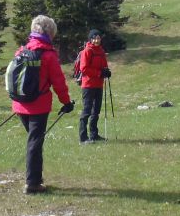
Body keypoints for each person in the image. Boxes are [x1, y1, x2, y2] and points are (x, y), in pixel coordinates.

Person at [11, 15, 75, 194]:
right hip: (38, 105)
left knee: (34, 140)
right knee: (35, 142)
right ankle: (33, 183)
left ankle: (35, 179)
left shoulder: (21, 50)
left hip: (20, 103)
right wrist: (67, 102)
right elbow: (58, 82)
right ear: (50, 32)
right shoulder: (48, 55)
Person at [76, 28, 112, 144]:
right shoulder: (87, 51)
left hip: (99, 85)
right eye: (94, 38)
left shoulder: (101, 51)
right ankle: (83, 137)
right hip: (88, 85)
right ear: (90, 39)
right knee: (87, 111)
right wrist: (99, 73)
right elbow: (84, 68)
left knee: (96, 111)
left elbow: (104, 66)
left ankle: (94, 134)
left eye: (98, 38)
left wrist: (106, 72)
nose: (97, 40)